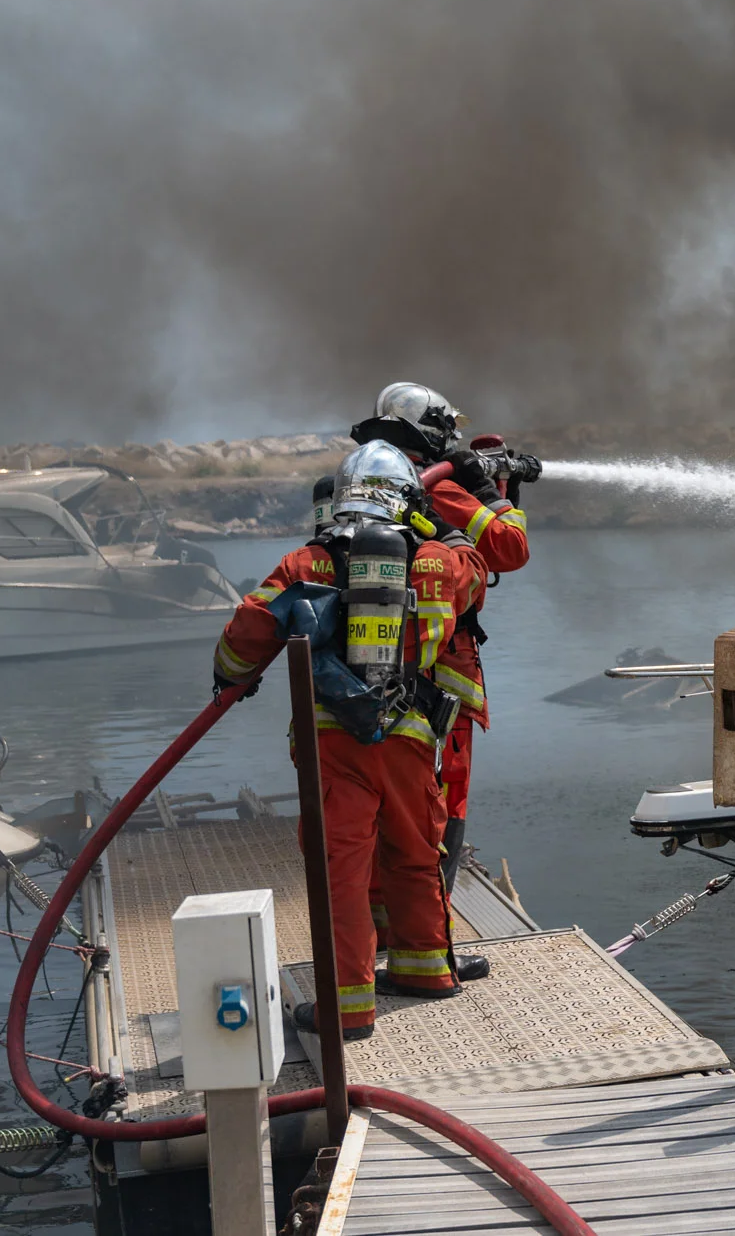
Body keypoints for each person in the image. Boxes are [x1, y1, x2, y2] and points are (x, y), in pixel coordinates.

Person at [212, 440, 487, 1040]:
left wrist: (229, 676)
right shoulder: (438, 559)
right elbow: (475, 583)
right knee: (418, 855)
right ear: (404, 501)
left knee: (342, 870)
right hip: (414, 735)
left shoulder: (304, 563)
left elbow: (245, 634)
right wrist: (446, 528)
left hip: (334, 741)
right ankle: (427, 971)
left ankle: (350, 1009)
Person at [353, 383, 536, 894]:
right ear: (434, 433)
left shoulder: (370, 484)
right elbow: (510, 548)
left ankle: (391, 936)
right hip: (440, 678)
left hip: (373, 673)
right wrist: (489, 496)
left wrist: (498, 487)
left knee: (384, 806)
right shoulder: (436, 487)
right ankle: (436, 940)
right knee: (440, 803)